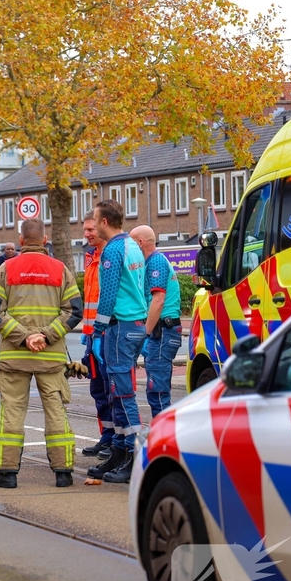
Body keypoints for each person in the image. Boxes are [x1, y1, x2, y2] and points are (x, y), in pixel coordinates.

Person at [0, 219, 83, 488]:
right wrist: (45, 335)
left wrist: (24, 337)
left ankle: (7, 475)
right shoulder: (60, 270)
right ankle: (63, 473)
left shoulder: (6, 269)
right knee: (56, 412)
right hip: (50, 359)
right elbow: (74, 311)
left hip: (14, 357)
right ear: (45, 238)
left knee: (11, 412)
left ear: (20, 240)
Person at [88, 200, 148, 484]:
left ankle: (133, 455)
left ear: (103, 222)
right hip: (135, 324)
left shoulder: (112, 249)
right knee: (117, 391)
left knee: (121, 393)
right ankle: (120, 451)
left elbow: (109, 294)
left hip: (120, 327)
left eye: (95, 219)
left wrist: (98, 330)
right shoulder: (133, 245)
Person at [130, 225, 183, 419]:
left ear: (140, 243)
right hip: (163, 331)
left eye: (132, 244)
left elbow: (158, 300)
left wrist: (145, 332)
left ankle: (164, 438)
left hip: (163, 331)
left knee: (157, 390)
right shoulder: (153, 263)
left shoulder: (156, 262)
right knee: (157, 388)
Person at [77, 215, 114, 460]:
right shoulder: (92, 259)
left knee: (112, 390)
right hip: (93, 335)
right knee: (98, 389)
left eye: (91, 229)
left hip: (107, 334)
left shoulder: (109, 258)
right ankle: (107, 437)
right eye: (85, 230)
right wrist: (87, 333)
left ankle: (116, 442)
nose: (87, 234)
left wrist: (100, 332)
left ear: (102, 226)